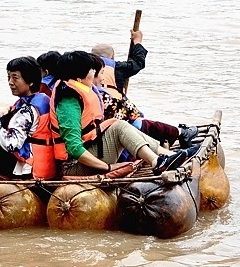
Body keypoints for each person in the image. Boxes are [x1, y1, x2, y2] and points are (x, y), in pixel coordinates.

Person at [50, 51, 199, 176]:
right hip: (74, 167)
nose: (94, 74)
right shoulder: (68, 102)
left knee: (118, 124)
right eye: (92, 71)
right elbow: (74, 148)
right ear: (79, 78)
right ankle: (158, 162)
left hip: (89, 152)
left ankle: (168, 156)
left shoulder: (76, 92)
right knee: (119, 127)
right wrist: (108, 168)